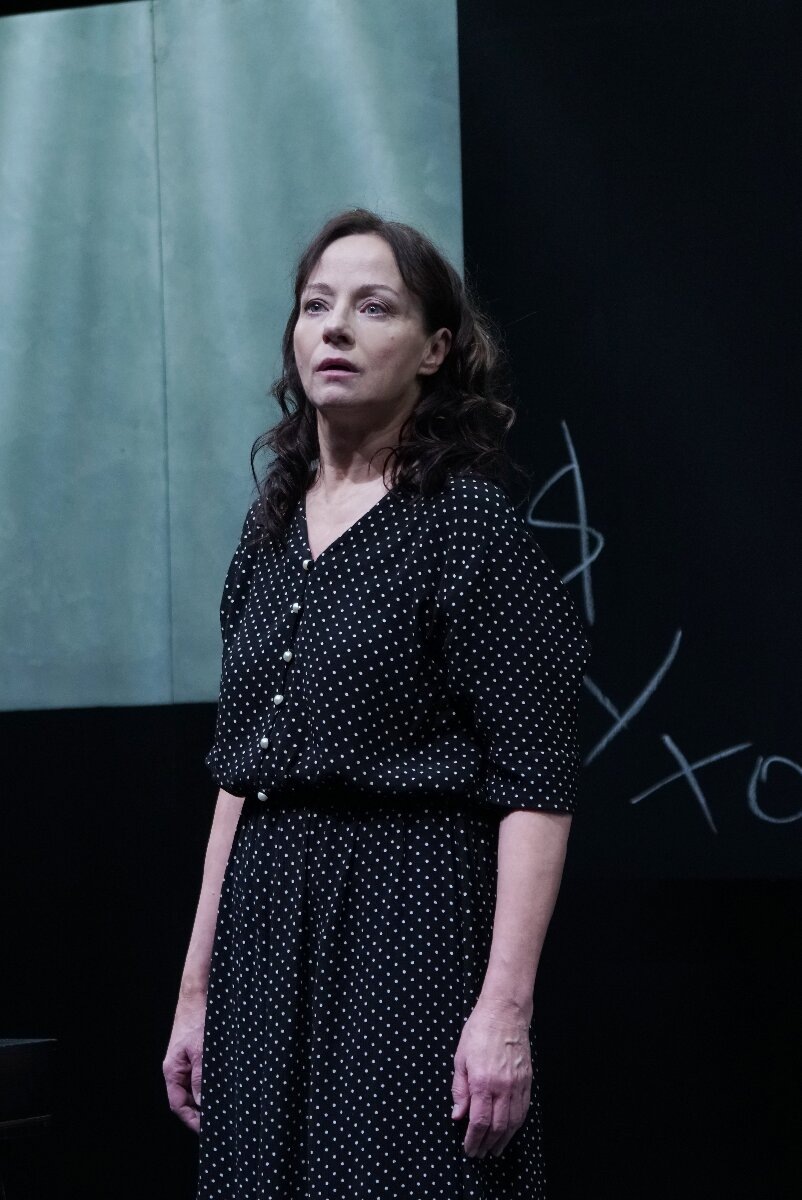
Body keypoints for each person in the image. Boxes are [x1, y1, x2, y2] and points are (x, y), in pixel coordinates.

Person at [163, 207, 591, 1199]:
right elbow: (240, 778)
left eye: (373, 307)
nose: (336, 329)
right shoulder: (268, 532)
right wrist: (195, 992)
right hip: (265, 931)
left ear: (434, 349)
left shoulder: (465, 526)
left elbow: (537, 782)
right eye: (317, 306)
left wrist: (504, 1013)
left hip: (408, 920)